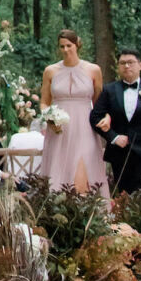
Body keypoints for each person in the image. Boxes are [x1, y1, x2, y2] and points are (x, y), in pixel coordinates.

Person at [89, 48, 141, 195]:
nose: (126, 66)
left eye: (130, 62)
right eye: (122, 63)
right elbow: (94, 117)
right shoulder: (109, 90)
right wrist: (114, 137)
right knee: (121, 196)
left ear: (140, 65)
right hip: (118, 154)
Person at [38, 29, 110, 201]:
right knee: (59, 167)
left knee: (84, 166)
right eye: (61, 46)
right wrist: (49, 117)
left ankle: (87, 210)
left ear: (77, 44)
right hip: (59, 127)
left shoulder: (93, 70)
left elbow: (100, 103)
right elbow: (44, 102)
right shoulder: (50, 71)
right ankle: (57, 209)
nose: (65, 50)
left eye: (69, 45)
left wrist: (106, 118)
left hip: (85, 125)